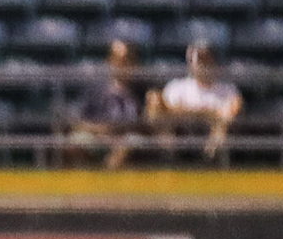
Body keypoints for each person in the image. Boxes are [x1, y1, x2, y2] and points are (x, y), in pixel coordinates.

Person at [146, 41, 242, 160]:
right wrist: (208, 113)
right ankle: (169, 159)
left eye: (204, 59)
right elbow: (166, 110)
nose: (199, 64)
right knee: (154, 101)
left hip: (212, 134)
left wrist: (189, 111)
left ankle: (211, 159)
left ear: (213, 61)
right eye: (194, 60)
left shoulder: (227, 89)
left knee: (222, 126)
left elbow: (233, 110)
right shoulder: (177, 86)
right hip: (181, 133)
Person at [66, 39, 142, 168]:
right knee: (76, 141)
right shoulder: (95, 87)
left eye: (127, 60)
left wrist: (120, 131)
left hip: (125, 137)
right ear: (109, 60)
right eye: (117, 59)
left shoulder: (141, 89)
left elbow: (147, 123)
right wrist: (99, 129)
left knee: (131, 143)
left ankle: (111, 181)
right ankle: (86, 181)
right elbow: (76, 120)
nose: (122, 65)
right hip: (96, 135)